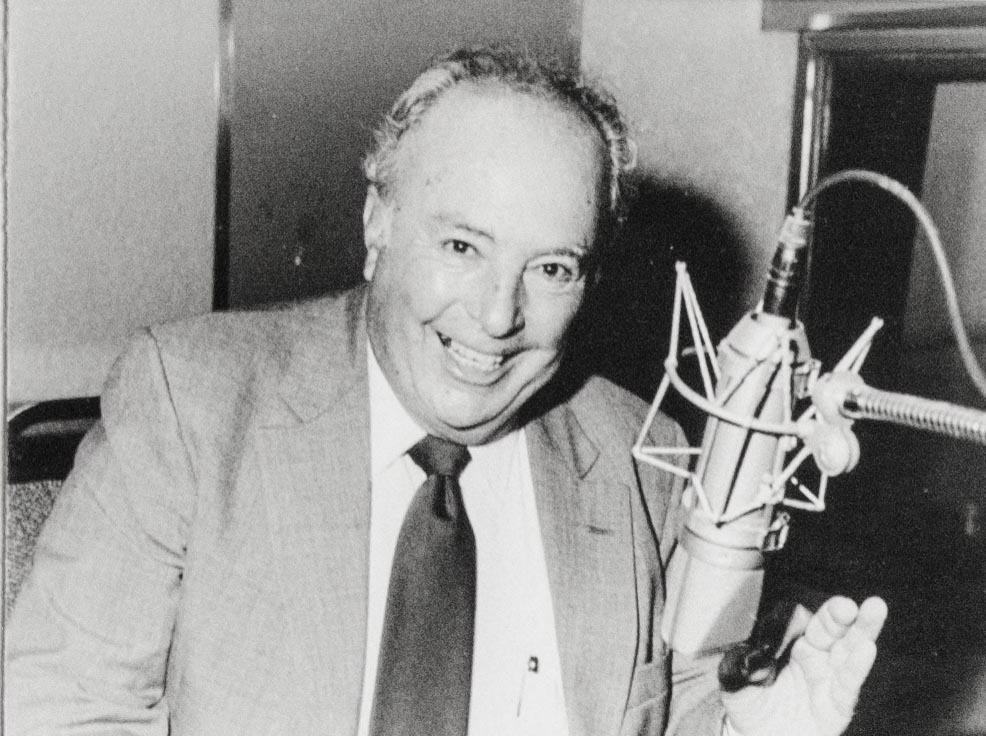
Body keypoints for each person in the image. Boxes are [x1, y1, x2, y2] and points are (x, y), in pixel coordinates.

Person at [6, 45, 886, 736]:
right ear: (377, 222)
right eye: (462, 247)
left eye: (552, 267)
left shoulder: (645, 459)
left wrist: (751, 728)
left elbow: (688, 708)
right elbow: (60, 710)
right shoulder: (192, 402)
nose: (499, 316)